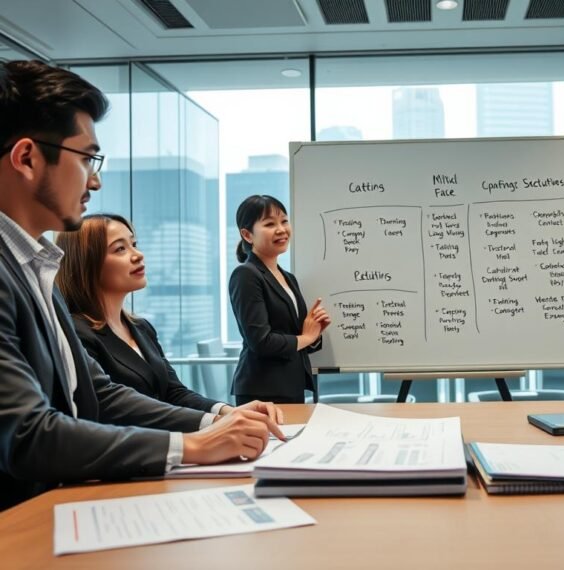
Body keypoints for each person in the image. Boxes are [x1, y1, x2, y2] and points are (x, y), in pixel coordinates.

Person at [0, 60, 283, 510]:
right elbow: (28, 434)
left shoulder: (37, 269)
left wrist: (215, 419)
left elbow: (102, 395)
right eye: (86, 158)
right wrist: (195, 446)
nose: (95, 179)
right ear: (28, 158)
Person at [55, 213, 235, 415]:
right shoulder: (75, 333)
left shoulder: (141, 328)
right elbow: (111, 410)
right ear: (86, 262)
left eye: (134, 244)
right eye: (120, 249)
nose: (138, 255)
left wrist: (228, 411)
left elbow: (174, 392)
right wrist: (212, 423)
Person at [229, 195, 330, 404]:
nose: (281, 229)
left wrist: (314, 332)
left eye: (284, 221)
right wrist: (307, 338)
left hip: (291, 385)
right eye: (269, 224)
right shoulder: (246, 275)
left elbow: (296, 335)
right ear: (247, 235)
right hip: (262, 391)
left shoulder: (288, 278)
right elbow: (261, 341)